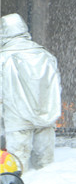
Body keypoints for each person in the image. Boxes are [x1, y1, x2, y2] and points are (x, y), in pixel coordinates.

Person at [0, 14, 61, 171]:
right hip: (45, 114)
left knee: (17, 161)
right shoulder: (45, 55)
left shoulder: (3, 57)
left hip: (16, 117)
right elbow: (56, 85)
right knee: (45, 162)